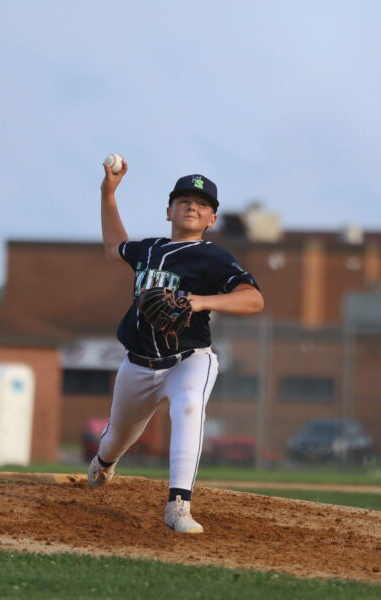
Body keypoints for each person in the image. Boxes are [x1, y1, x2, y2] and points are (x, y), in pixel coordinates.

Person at [88, 158, 264, 534]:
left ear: (211, 219)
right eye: (183, 200)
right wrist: (108, 192)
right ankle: (104, 463)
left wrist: (202, 301)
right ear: (168, 210)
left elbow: (253, 299)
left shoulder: (214, 257)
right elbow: (113, 246)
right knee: (118, 437)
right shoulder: (149, 250)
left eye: (202, 204)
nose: (191, 207)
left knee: (189, 406)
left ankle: (178, 505)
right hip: (137, 364)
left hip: (188, 360)